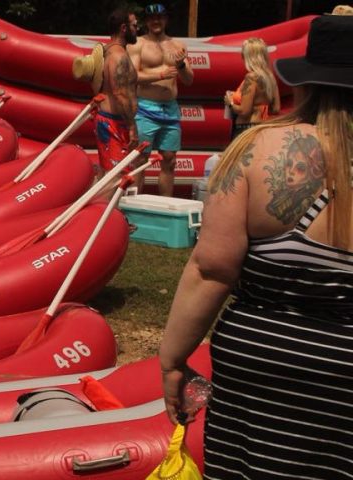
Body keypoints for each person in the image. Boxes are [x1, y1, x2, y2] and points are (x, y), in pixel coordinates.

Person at [158, 14, 353, 479]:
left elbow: (211, 269)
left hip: (260, 370)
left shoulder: (257, 148)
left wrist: (172, 360)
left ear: (307, 82)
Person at [129, 3, 193, 196]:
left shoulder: (178, 46)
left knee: (170, 159)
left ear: (166, 20)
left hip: (170, 110)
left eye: (159, 18)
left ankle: (166, 205)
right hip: (145, 109)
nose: (156, 21)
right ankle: (134, 206)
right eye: (151, 18)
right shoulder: (138, 44)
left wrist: (181, 66)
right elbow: (132, 76)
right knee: (140, 159)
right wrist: (160, 75)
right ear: (146, 22)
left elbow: (189, 80)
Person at [89, 7, 140, 182]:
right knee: (116, 179)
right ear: (124, 28)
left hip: (113, 121)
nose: (137, 29)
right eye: (134, 25)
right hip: (114, 123)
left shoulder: (109, 51)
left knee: (113, 176)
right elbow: (119, 93)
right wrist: (132, 126)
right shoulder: (118, 56)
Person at [224, 37, 281, 138]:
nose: (242, 56)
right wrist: (259, 108)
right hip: (262, 127)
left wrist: (230, 103)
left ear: (249, 56)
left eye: (243, 53)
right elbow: (276, 108)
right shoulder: (270, 77)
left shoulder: (251, 77)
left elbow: (244, 111)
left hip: (246, 128)